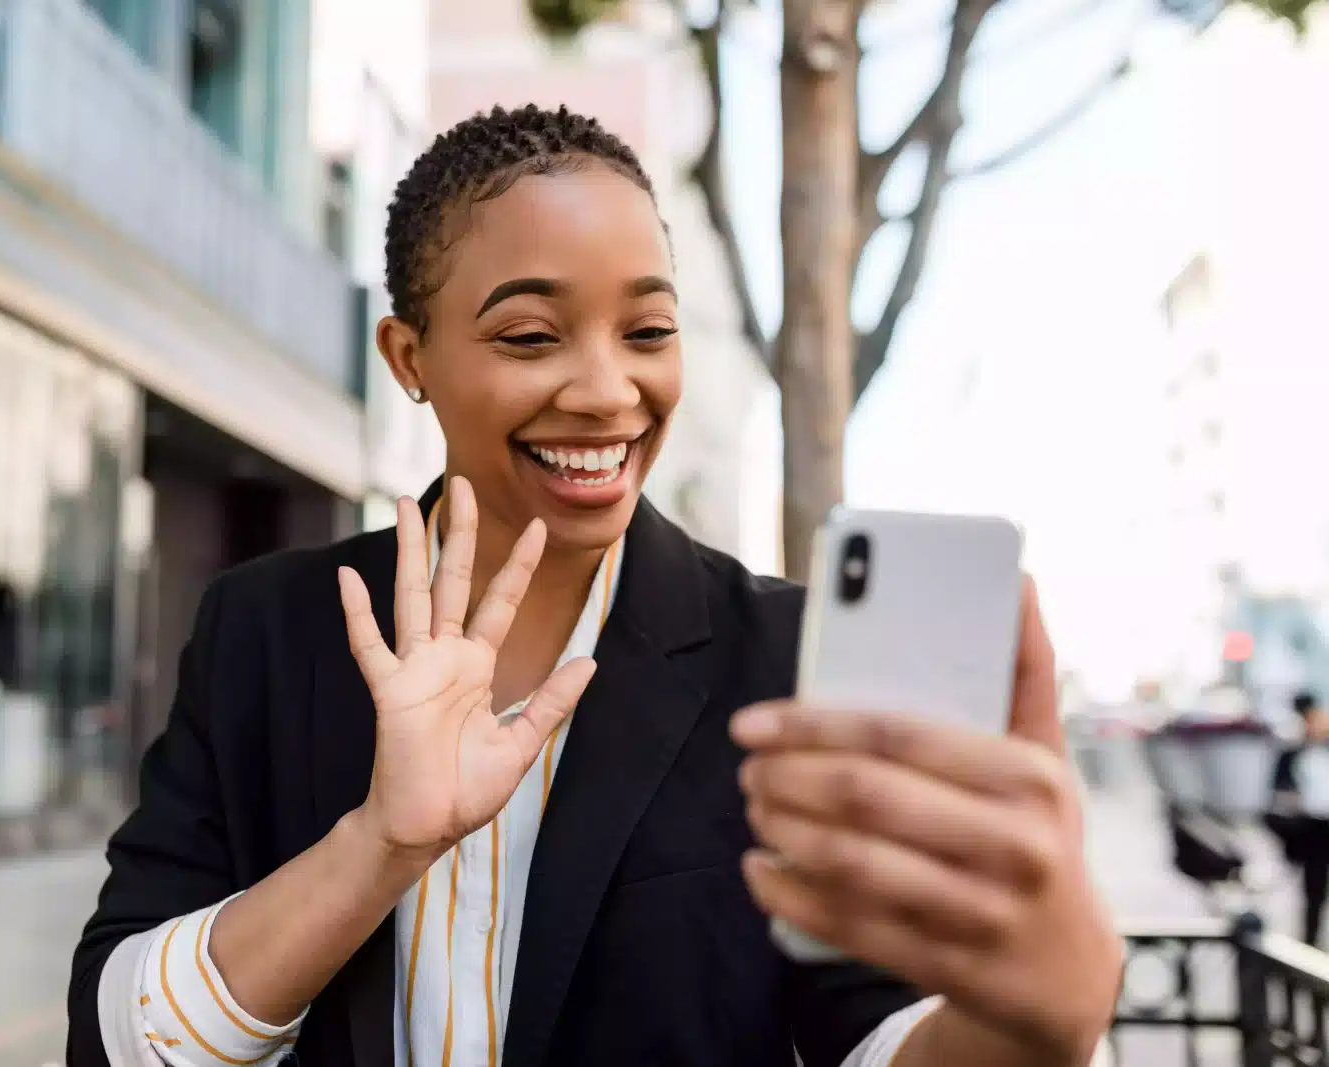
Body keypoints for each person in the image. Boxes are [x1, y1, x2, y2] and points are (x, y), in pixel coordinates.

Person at [66, 105, 1122, 1067]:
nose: (608, 391)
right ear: (409, 356)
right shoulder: (266, 629)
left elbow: (882, 1035)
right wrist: (377, 846)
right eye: (529, 335)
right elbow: (120, 1035)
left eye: (649, 331)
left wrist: (1027, 1021)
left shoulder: (783, 658)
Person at [1269, 690, 1329, 944]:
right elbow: (1279, 794)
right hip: (1312, 831)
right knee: (1313, 894)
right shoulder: (1293, 755)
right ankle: (1310, 945)